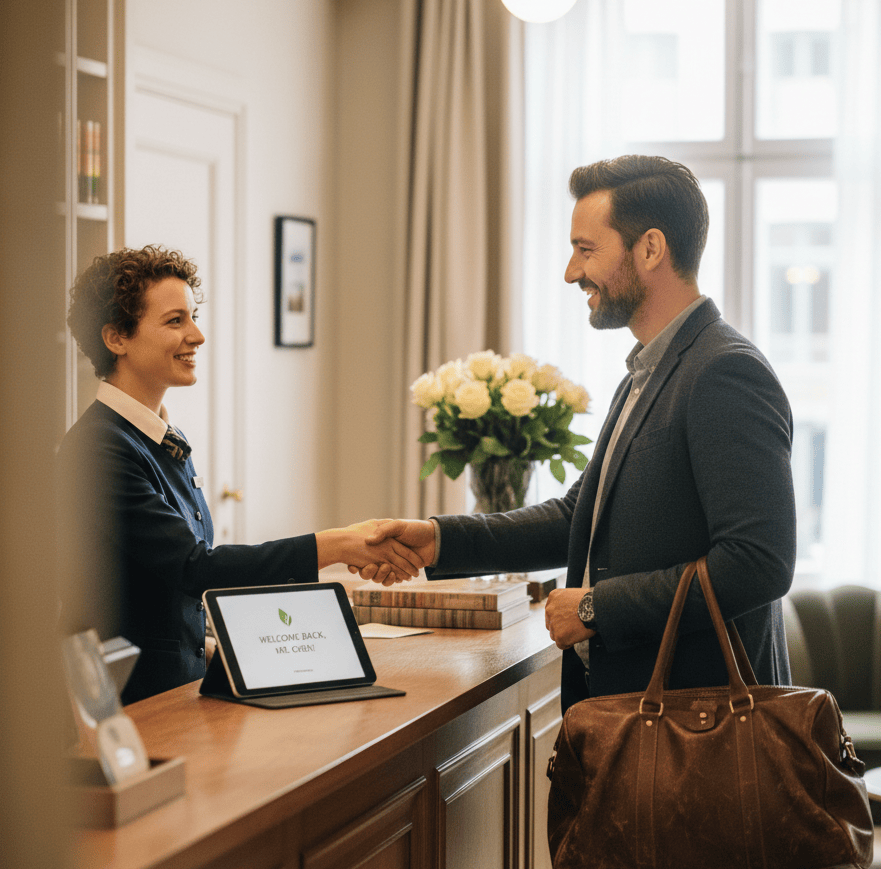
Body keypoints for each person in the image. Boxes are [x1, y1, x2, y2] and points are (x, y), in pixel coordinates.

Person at [362, 155, 797, 713]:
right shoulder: (649, 369)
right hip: (642, 725)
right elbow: (580, 520)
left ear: (650, 249)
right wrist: (437, 540)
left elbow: (758, 562)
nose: (571, 272)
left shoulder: (724, 371)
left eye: (586, 250)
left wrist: (595, 608)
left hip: (701, 740)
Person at [58, 245, 420, 704]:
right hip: (131, 707)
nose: (198, 335)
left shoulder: (160, 437)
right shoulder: (98, 449)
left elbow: (166, 595)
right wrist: (336, 544)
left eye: (192, 316)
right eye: (175, 321)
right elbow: (194, 569)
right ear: (116, 338)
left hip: (176, 694)